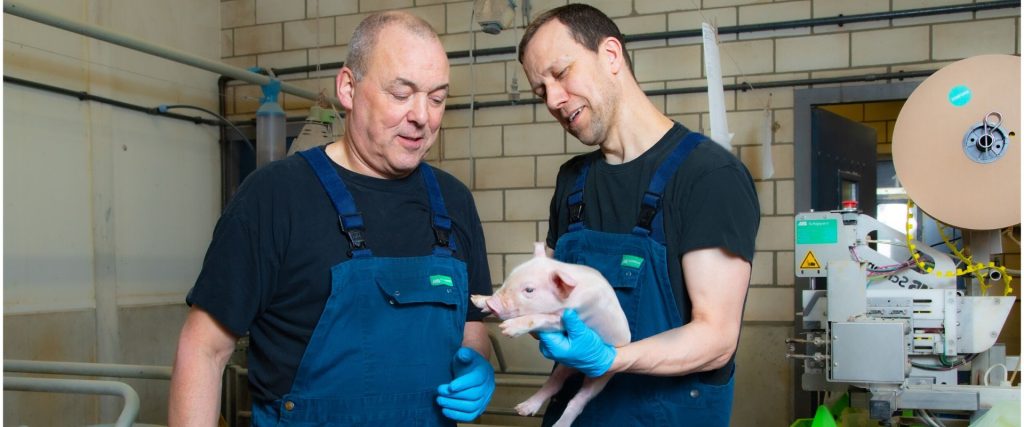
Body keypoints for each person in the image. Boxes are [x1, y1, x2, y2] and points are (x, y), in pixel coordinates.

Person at [168, 11, 495, 426]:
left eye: (436, 98)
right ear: (348, 88)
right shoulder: (275, 196)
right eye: (401, 94)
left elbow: (471, 329)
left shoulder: (454, 201)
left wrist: (477, 365)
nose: (422, 116)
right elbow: (203, 349)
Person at [518, 4, 760, 426]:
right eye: (541, 91)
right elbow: (551, 294)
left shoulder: (707, 175)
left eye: (560, 73)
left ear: (611, 56)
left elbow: (716, 337)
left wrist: (610, 359)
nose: (554, 100)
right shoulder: (572, 183)